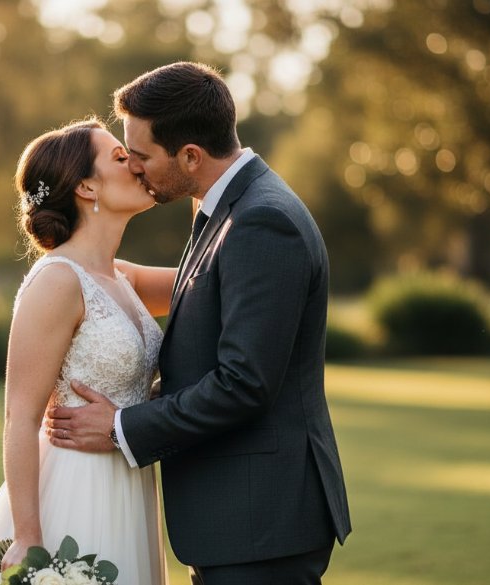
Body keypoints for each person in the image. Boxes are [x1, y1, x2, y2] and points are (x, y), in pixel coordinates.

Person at [47, 62, 352, 584]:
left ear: (190, 156)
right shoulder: (223, 210)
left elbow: (244, 383)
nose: (134, 168)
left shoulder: (261, 220)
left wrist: (121, 427)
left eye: (141, 156)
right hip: (240, 519)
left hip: (260, 522)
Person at [0, 118, 171, 585]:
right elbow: (20, 418)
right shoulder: (57, 281)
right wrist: (28, 535)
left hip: (129, 485)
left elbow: (209, 278)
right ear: (87, 187)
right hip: (77, 489)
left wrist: (201, 188)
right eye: (120, 157)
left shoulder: (121, 278)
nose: (137, 165)